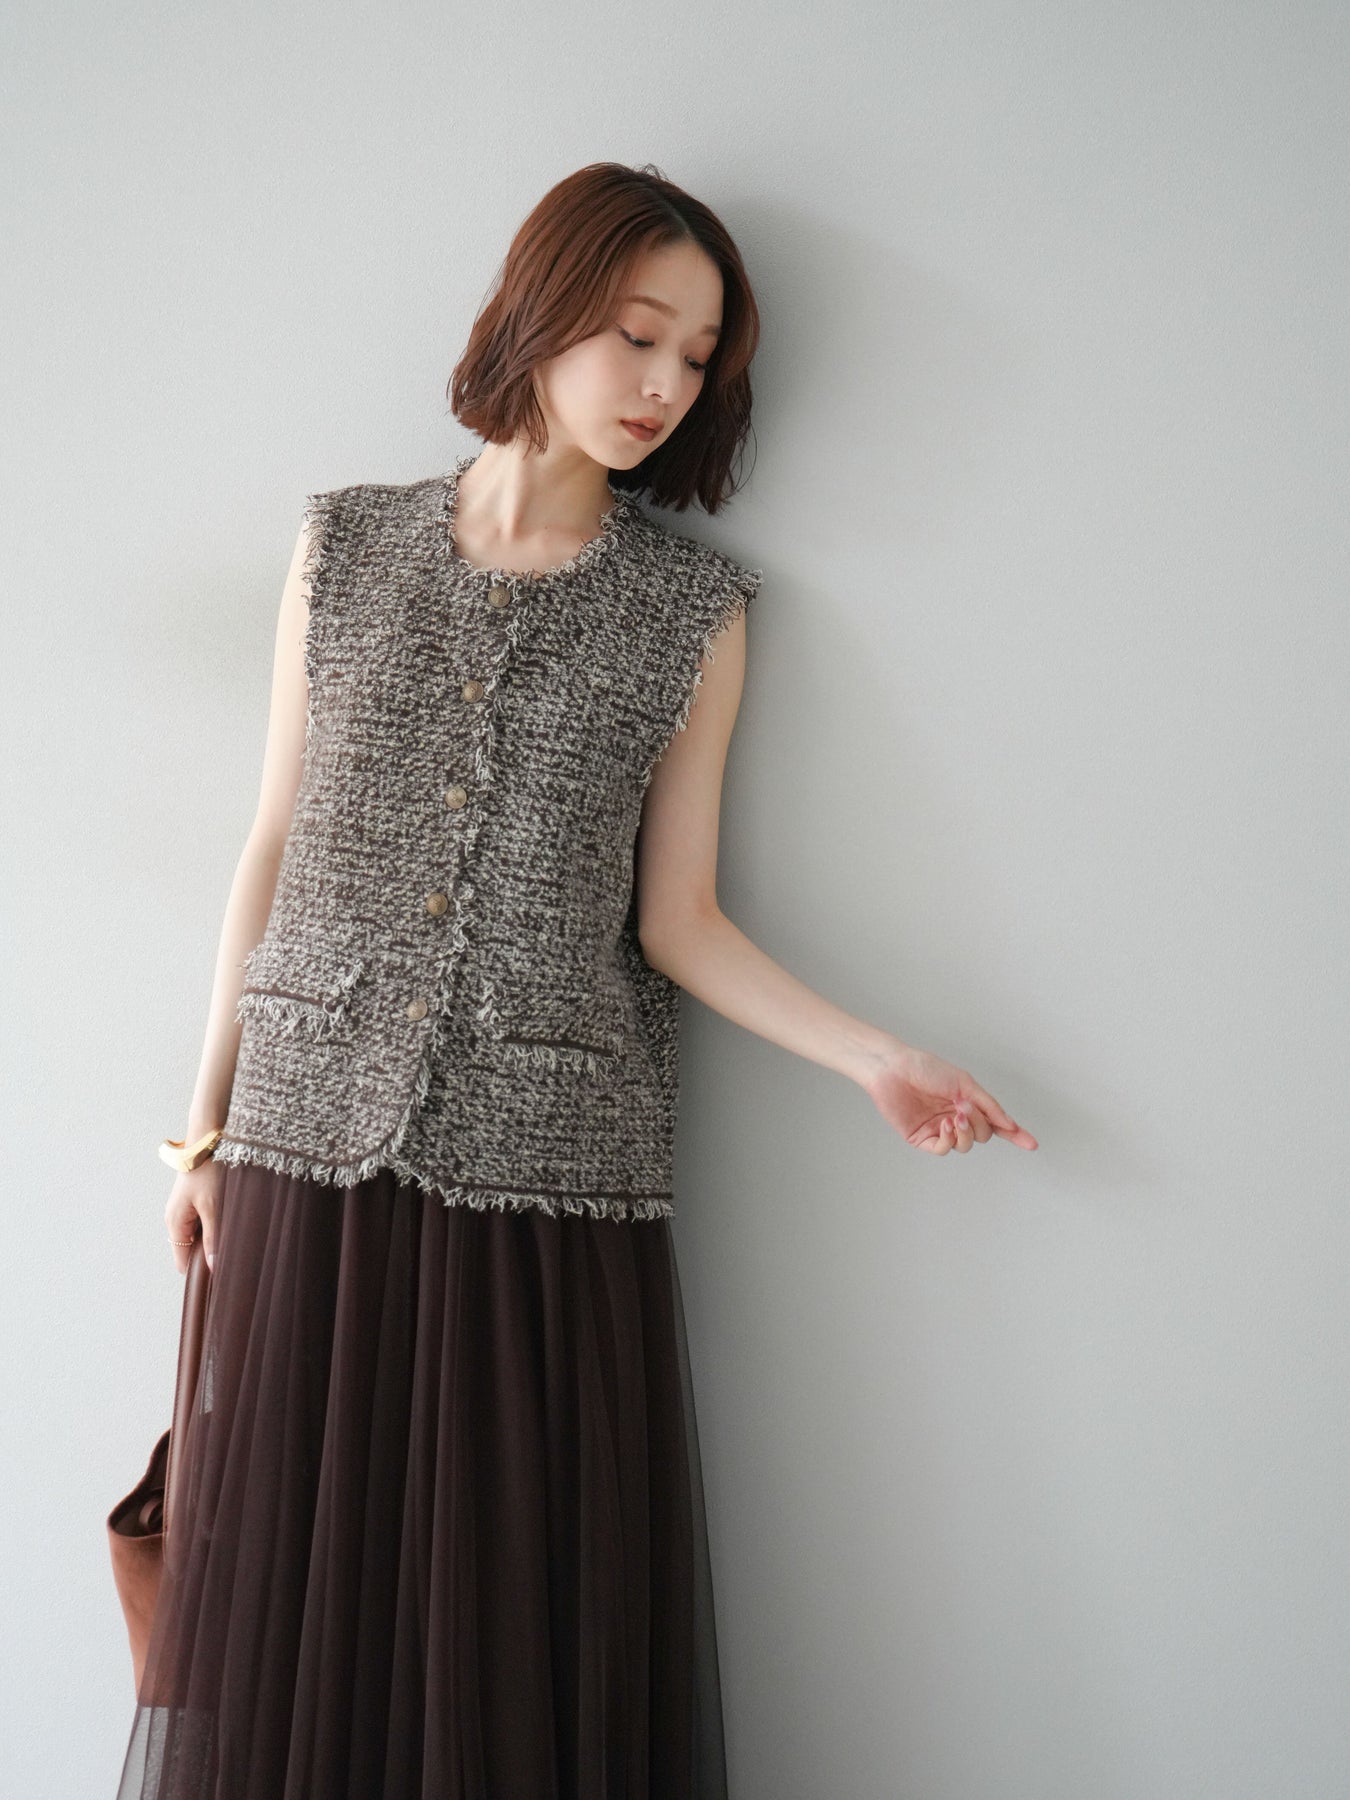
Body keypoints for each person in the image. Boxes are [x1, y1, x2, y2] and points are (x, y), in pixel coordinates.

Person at [115, 160, 1037, 1799]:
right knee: (305, 1618)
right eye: (637, 333)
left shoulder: (692, 614)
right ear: (541, 313)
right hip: (304, 1153)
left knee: (500, 1623)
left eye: (698, 358)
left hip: (549, 1180)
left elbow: (678, 920)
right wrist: (202, 1131)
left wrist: (875, 1057)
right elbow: (272, 848)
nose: (664, 384)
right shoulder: (344, 547)